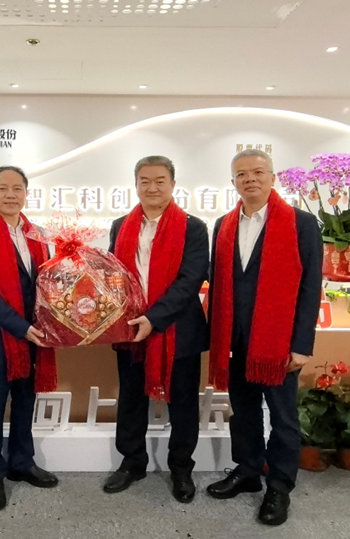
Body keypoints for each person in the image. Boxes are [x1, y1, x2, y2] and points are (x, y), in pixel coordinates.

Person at [206, 149, 323, 526]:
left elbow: (310, 287)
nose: (250, 179)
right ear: (233, 182)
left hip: (278, 343)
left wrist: (301, 345)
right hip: (236, 339)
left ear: (272, 177)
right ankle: (248, 470)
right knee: (243, 411)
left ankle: (279, 486)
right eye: (242, 174)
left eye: (258, 172)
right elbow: (218, 284)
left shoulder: (301, 223)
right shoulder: (223, 225)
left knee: (283, 417)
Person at [103, 155, 210, 503]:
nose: (152, 187)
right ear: (136, 185)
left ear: (173, 185)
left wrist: (154, 318)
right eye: (145, 181)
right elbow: (113, 275)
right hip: (131, 330)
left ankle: (181, 469)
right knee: (131, 400)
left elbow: (190, 279)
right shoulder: (121, 226)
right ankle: (132, 463)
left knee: (183, 404)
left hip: (178, 330)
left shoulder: (193, 227)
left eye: (160, 181)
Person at [0, 166, 59, 512]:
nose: (10, 194)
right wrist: (20, 327)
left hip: (34, 338)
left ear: (26, 194)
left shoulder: (38, 235)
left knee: (24, 404)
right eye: (2, 188)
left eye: (17, 188)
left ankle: (22, 462)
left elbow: (47, 283)